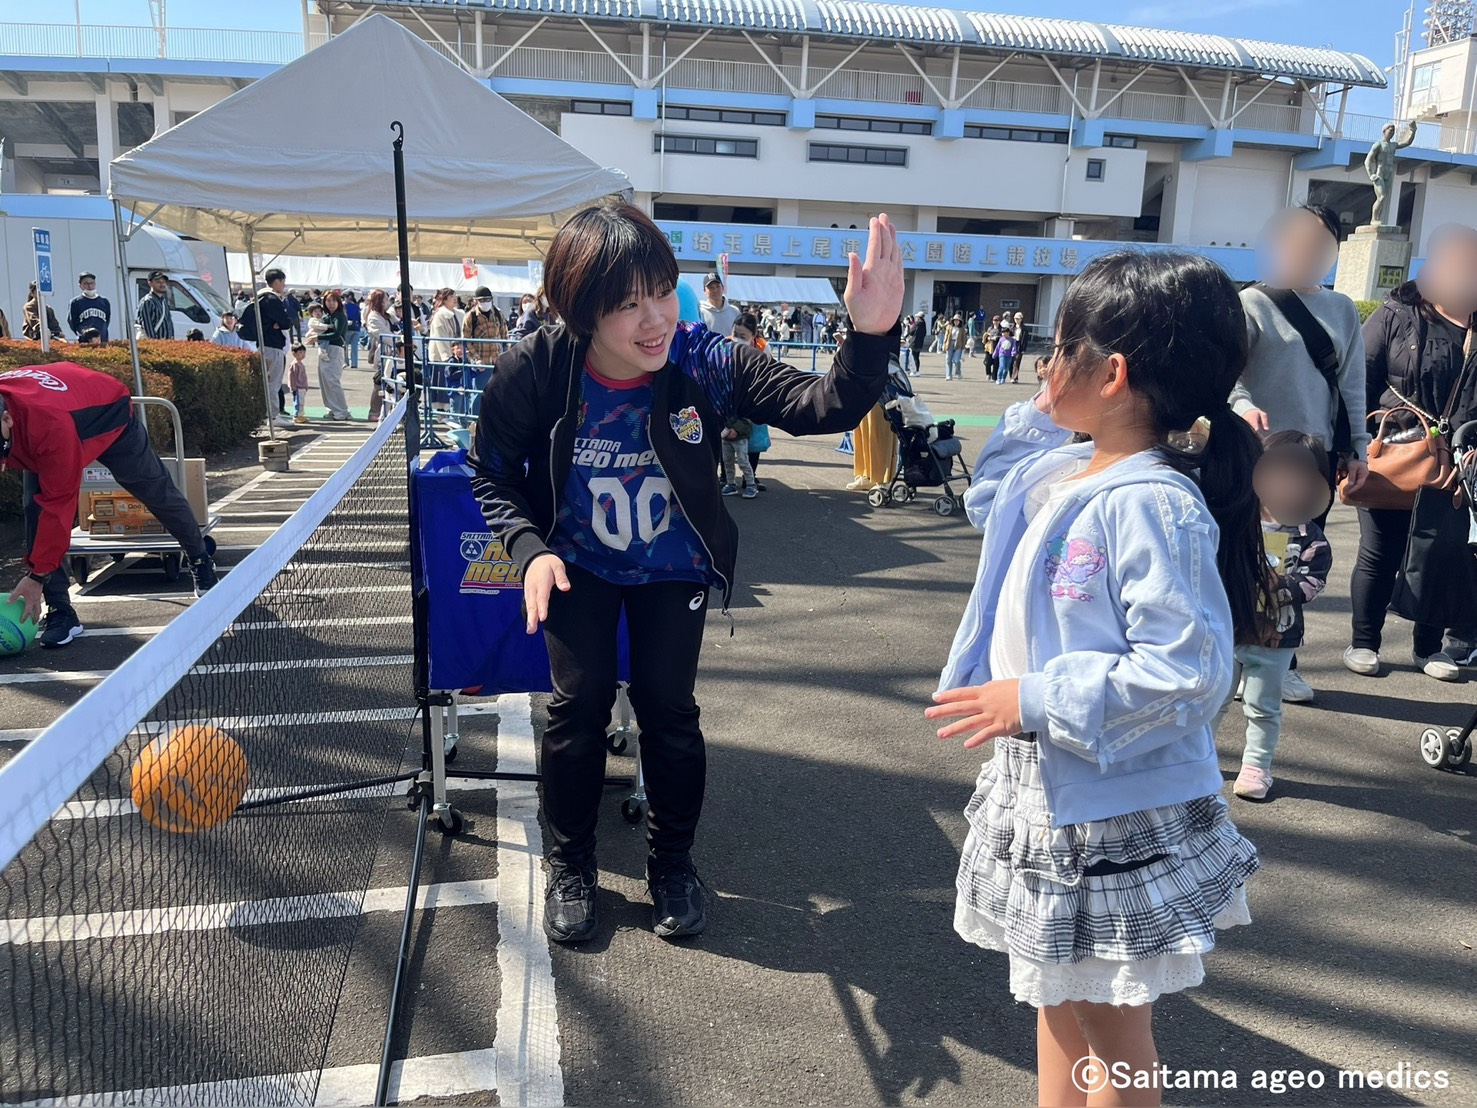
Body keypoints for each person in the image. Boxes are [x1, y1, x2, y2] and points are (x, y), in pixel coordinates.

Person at [467, 202, 902, 944]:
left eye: (663, 293)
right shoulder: (536, 368)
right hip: (576, 563)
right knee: (578, 709)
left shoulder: (703, 359)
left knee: (669, 711)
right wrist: (530, 550)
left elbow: (818, 406)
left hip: (674, 567)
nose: (655, 320)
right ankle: (570, 864)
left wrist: (869, 336)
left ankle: (672, 864)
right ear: (581, 309)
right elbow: (491, 473)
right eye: (628, 304)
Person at [929, 251, 1263, 1102]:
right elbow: (988, 495)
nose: (1044, 366)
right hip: (1048, 783)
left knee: (1110, 1024)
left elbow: (1187, 673)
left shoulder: (1151, 502)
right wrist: (1041, 413)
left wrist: (1034, 697)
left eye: (1059, 348)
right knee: (1056, 996)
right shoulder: (1064, 471)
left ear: (1110, 374)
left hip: (1107, 802)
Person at [1234, 204, 1371, 704]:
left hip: (1314, 456)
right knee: (1247, 554)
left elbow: (1352, 384)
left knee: (1296, 562)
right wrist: (1243, 407)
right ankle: (1238, 655)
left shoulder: (1342, 309)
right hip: (1259, 453)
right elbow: (1231, 376)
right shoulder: (1252, 303)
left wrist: (1357, 450)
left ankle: (1281, 661)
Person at [1, 363, 218, 646]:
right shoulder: (10, 409)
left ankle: (199, 558)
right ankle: (61, 611)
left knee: (155, 491)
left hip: (108, 412)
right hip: (58, 409)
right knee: (34, 509)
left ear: (7, 419)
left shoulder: (50, 427)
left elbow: (58, 509)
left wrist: (36, 577)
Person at [1348, 224, 1477, 680]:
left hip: (1458, 463)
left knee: (1441, 555)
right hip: (1396, 451)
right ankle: (1364, 643)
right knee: (1380, 551)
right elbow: (1359, 380)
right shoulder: (1396, 314)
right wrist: (1355, 446)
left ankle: (1428, 649)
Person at [1218, 431, 1333, 801]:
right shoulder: (1238, 522)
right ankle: (1198, 758)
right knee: (1213, 698)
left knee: (1262, 705)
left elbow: (1313, 582)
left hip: (1275, 638)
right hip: (1228, 629)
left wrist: (1280, 585)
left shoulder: (1310, 537)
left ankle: (1256, 766)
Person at [246, 268, 295, 429]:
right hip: (273, 345)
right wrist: (280, 323)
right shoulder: (272, 299)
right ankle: (273, 415)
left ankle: (269, 414)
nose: (284, 285)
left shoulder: (259, 297)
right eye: (283, 281)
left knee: (267, 381)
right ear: (277, 282)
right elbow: (285, 322)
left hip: (262, 343)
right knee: (273, 382)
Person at [732, 313, 771, 491]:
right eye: (735, 334)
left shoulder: (762, 347)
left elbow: (768, 373)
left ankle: (750, 478)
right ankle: (725, 477)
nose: (737, 339)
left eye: (743, 336)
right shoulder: (725, 344)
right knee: (726, 438)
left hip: (755, 396)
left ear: (753, 335)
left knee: (754, 440)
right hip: (731, 397)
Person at [316, 290, 353, 421]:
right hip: (324, 349)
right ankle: (332, 409)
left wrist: (318, 337)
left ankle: (341, 411)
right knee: (324, 381)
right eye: (328, 301)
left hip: (335, 349)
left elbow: (337, 334)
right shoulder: (327, 316)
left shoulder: (339, 316)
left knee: (332, 380)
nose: (331, 303)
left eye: (333, 301)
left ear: (338, 302)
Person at [363, 289, 395, 422]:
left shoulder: (385, 315)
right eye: (385, 299)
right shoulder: (373, 316)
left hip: (391, 352)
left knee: (389, 381)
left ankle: (385, 410)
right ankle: (374, 412)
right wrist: (399, 340)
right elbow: (383, 334)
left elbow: (396, 324)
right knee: (380, 382)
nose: (387, 302)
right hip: (382, 353)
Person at [463, 285, 509, 368]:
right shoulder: (470, 317)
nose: (486, 302)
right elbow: (466, 341)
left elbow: (505, 336)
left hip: (497, 362)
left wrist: (505, 356)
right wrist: (477, 360)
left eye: (488, 299)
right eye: (482, 300)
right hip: (481, 363)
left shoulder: (498, 313)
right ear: (476, 301)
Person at [68, 273, 111, 342]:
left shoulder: (104, 301)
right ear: (80, 286)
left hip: (102, 340)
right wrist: (82, 333)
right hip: (85, 340)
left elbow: (107, 320)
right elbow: (73, 322)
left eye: (92, 283)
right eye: (86, 283)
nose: (90, 286)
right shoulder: (75, 302)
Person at [135, 271, 174, 340]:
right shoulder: (147, 301)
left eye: (163, 281)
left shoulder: (163, 301)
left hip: (165, 342)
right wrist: (154, 342)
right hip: (152, 343)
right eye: (158, 282)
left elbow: (169, 323)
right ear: (150, 283)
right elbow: (147, 326)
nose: (162, 284)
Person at [288, 342, 311, 424]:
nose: (303, 354)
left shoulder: (301, 364)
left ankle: (300, 415)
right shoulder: (294, 364)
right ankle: (297, 416)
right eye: (300, 352)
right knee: (298, 402)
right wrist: (293, 387)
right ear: (294, 353)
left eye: (304, 352)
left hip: (302, 386)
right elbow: (292, 377)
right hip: (297, 387)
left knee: (302, 402)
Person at [941, 313, 967, 380]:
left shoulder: (962, 328)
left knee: (956, 360)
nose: (956, 322)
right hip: (949, 343)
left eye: (958, 320)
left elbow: (964, 338)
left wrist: (963, 348)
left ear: (960, 321)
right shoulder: (949, 327)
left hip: (958, 344)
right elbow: (946, 336)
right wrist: (944, 345)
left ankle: (958, 372)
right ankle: (949, 375)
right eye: (955, 320)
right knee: (948, 360)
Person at [342, 289, 362, 369]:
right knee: (354, 347)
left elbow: (344, 316)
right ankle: (354, 363)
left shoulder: (344, 305)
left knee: (344, 345)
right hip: (356, 327)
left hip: (347, 327)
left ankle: (345, 362)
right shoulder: (356, 306)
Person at [907, 312, 926, 377]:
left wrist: (909, 326)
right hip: (920, 343)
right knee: (917, 357)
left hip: (914, 342)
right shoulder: (924, 324)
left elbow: (911, 332)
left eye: (917, 317)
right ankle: (917, 370)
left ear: (919, 318)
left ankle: (914, 371)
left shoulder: (917, 324)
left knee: (913, 357)